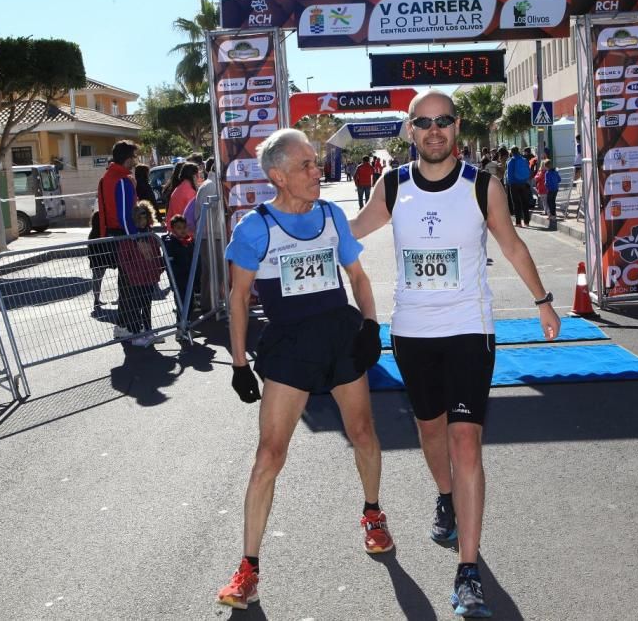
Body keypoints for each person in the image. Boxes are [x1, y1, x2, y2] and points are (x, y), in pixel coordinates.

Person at [350, 89, 560, 618]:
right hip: (414, 332)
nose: (434, 130)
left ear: (457, 126)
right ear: (410, 130)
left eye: (443, 121)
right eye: (423, 123)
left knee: (466, 441)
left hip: (470, 328)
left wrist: (544, 302)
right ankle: (445, 496)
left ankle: (468, 570)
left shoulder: (482, 185)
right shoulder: (393, 185)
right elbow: (351, 235)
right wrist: (295, 230)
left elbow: (511, 243)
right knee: (431, 431)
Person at [217, 128, 392, 610]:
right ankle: (248, 569)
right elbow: (238, 298)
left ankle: (373, 513)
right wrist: (237, 363)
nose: (318, 172)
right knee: (268, 456)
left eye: (317, 163)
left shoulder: (333, 216)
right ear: (277, 176)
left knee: (363, 434)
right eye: (307, 166)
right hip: (290, 348)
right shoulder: (255, 227)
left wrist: (372, 326)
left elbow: (357, 276)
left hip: (339, 338)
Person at [97, 140, 140, 340]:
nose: (136, 160)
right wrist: (136, 239)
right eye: (134, 156)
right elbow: (124, 215)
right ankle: (127, 327)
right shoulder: (120, 180)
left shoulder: (112, 177)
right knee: (130, 284)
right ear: (127, 158)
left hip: (117, 235)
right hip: (123, 237)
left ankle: (130, 327)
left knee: (128, 283)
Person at [117, 201, 164, 347]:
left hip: (149, 277)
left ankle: (148, 331)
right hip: (136, 279)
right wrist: (132, 275)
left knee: (147, 305)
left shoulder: (150, 235)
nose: (143, 222)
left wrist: (158, 269)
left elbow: (157, 255)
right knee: (135, 306)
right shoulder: (129, 239)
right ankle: (136, 333)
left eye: (145, 218)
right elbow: (124, 260)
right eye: (140, 219)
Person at [186, 158, 223, 313]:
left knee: (210, 272)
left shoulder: (210, 184)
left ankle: (209, 304)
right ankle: (210, 305)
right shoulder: (212, 185)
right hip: (211, 234)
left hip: (210, 233)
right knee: (215, 271)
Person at [162, 214, 194, 304]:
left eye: (184, 227)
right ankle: (181, 318)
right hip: (179, 280)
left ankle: (187, 317)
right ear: (173, 229)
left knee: (190, 303)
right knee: (181, 302)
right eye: (179, 228)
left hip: (189, 279)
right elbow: (169, 264)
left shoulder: (189, 242)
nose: (182, 230)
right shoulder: (170, 244)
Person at [164, 162, 200, 233]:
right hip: (185, 234)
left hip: (175, 231)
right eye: (198, 175)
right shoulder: (190, 192)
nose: (199, 178)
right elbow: (193, 217)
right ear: (194, 176)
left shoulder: (177, 189)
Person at [505, 146, 533, 228]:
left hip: (514, 184)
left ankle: (518, 222)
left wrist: (509, 184)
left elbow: (509, 175)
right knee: (525, 203)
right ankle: (527, 222)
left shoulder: (510, 161)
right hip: (524, 183)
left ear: (512, 152)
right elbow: (528, 170)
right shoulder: (524, 160)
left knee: (516, 204)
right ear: (518, 151)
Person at [542, 159, 562, 231]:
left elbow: (546, 182)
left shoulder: (547, 173)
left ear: (546, 166)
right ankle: (554, 214)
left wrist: (546, 185)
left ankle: (552, 215)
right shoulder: (556, 172)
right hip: (555, 189)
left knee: (549, 202)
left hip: (550, 189)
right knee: (553, 201)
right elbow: (559, 179)